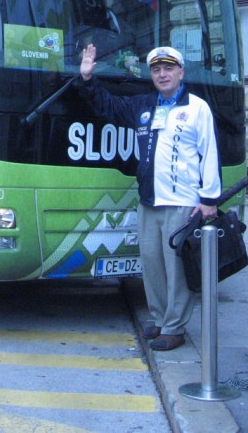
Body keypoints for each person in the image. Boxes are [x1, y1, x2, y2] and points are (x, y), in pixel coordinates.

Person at [78, 44, 221, 351]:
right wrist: (88, 79)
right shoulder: (144, 105)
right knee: (153, 266)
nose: (162, 74)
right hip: (149, 201)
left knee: (177, 270)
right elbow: (108, 106)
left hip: (182, 203)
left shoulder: (197, 108)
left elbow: (209, 153)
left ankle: (174, 327)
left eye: (168, 69)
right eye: (156, 70)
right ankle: (159, 318)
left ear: (180, 73)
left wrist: (209, 199)